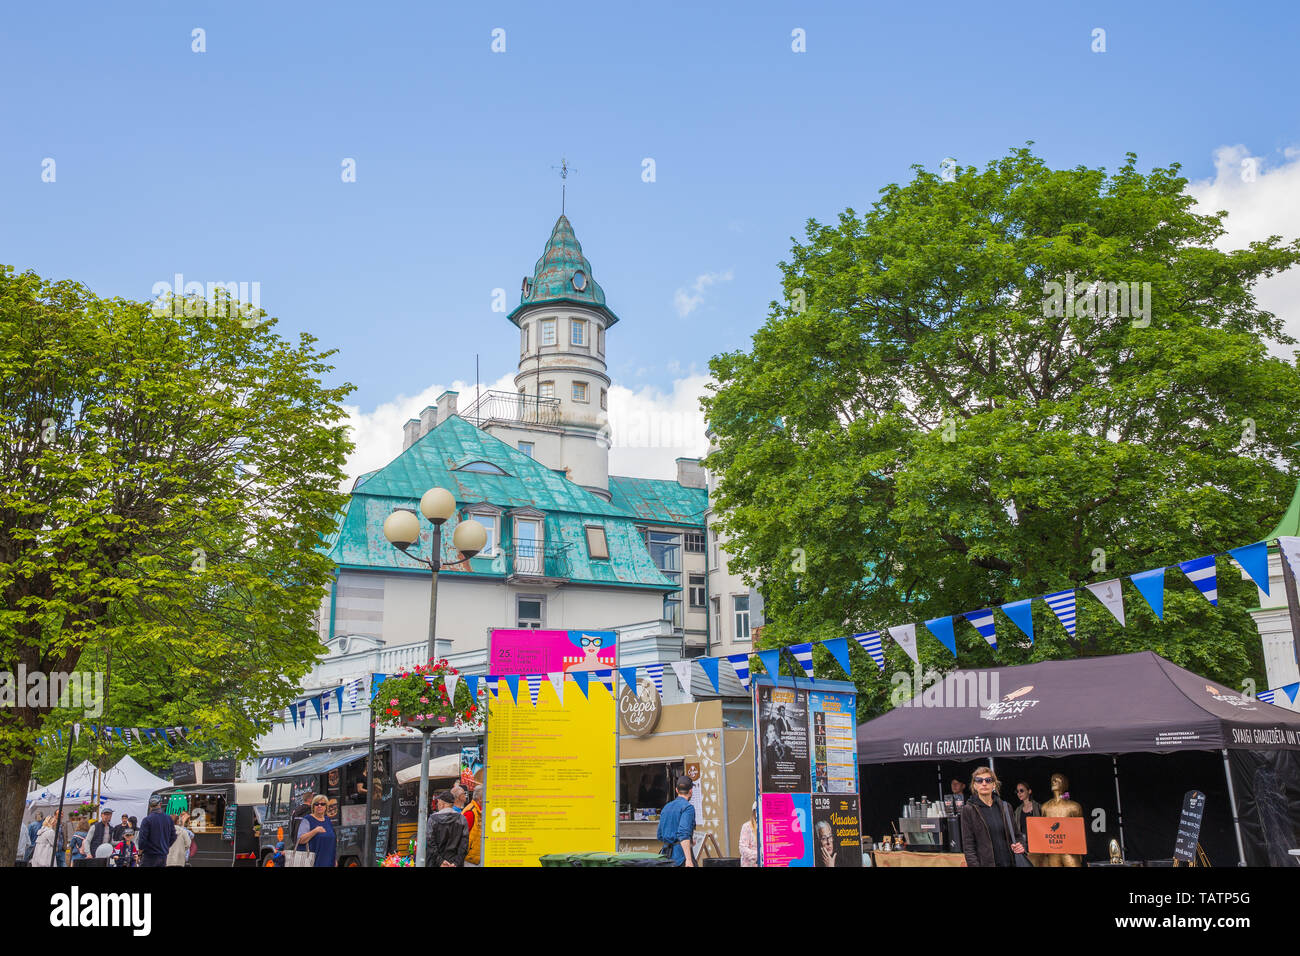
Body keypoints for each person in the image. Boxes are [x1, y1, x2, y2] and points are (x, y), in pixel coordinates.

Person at [959, 766, 1027, 867]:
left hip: (1010, 863)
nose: (984, 783)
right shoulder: (969, 810)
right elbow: (969, 847)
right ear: (974, 785)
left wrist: (1021, 846)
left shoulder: (1005, 807)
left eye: (988, 780)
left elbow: (1017, 835)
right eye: (979, 780)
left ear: (994, 784)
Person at [656, 776, 696, 867]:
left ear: (677, 790)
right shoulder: (688, 808)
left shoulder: (666, 807)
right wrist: (689, 860)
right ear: (690, 791)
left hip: (666, 857)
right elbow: (683, 834)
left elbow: (660, 835)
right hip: (681, 858)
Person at [426, 790, 469, 867]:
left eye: (438, 802)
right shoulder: (462, 819)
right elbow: (464, 845)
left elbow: (430, 843)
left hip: (436, 863)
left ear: (442, 804)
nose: (437, 804)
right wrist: (456, 863)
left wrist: (440, 861)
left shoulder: (432, 819)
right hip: (455, 863)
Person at [296, 795, 337, 867]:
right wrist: (315, 831)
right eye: (316, 804)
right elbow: (300, 839)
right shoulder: (307, 819)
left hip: (329, 861)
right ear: (313, 806)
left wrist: (334, 859)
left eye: (323, 804)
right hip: (312, 862)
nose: (319, 806)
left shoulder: (327, 820)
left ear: (326, 807)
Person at [138, 797, 176, 867]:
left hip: (149, 856)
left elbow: (142, 840)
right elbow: (173, 836)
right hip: (162, 856)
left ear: (149, 806)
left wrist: (139, 854)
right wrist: (165, 846)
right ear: (160, 804)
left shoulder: (147, 820)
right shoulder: (168, 819)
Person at [465, 784, 484, 866]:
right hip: (469, 859)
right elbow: (463, 835)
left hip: (476, 858)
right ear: (480, 799)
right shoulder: (470, 812)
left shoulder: (479, 811)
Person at [739, 802, 759, 867]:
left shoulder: (768, 826)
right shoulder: (747, 826)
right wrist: (758, 855)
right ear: (754, 812)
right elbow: (743, 848)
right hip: (750, 864)